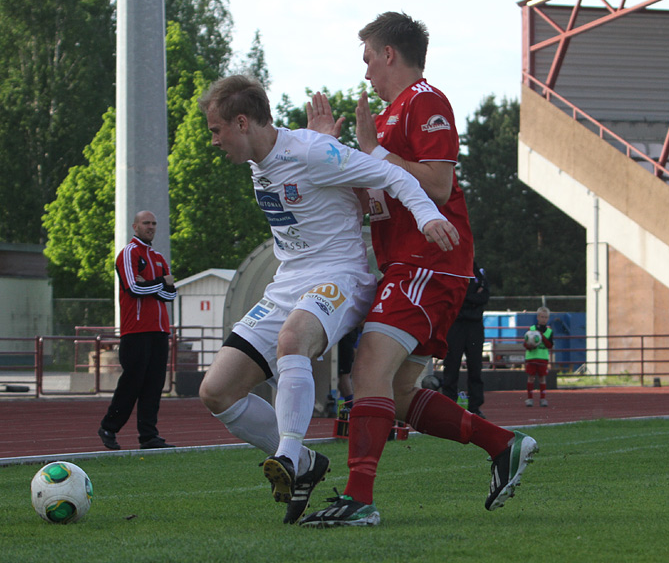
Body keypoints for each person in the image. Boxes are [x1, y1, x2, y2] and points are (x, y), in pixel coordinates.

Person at [301, 12, 538, 528]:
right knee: (401, 394)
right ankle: (504, 445)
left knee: (368, 371)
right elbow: (375, 199)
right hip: (409, 265)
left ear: (390, 54)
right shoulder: (389, 117)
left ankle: (359, 500)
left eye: (368, 59)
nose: (364, 73)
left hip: (428, 263)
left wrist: (374, 153)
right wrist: (331, 152)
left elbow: (437, 184)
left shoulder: (425, 101)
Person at [195, 75, 460, 525]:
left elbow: (392, 175)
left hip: (340, 275)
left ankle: (289, 454)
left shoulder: (311, 152)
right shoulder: (264, 160)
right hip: (288, 283)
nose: (214, 141)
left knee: (292, 339)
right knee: (216, 391)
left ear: (242, 122)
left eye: (216, 130)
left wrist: (427, 213)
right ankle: (304, 463)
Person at [98, 210, 177, 450]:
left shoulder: (159, 257)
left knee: (154, 385)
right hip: (136, 330)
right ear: (135, 226)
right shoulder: (129, 253)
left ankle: (149, 436)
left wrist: (153, 284)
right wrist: (161, 283)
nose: (150, 227)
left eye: (153, 223)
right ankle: (109, 427)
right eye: (146, 223)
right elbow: (134, 288)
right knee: (132, 383)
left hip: (160, 330)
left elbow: (171, 294)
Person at [440, 263, 490, 418]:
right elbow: (454, 296)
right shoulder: (454, 268)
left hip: (475, 326)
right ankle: (449, 406)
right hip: (456, 324)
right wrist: (472, 297)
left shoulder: (479, 271)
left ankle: (475, 407)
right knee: (451, 365)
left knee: (475, 367)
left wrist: (467, 298)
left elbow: (484, 296)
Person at [523, 306, 554, 407]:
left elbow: (550, 345)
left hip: (542, 358)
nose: (543, 319)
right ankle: (529, 398)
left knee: (542, 378)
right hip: (531, 358)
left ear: (548, 318)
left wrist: (541, 337)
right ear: (538, 317)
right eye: (542, 317)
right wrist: (530, 345)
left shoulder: (549, 332)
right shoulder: (531, 329)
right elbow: (525, 344)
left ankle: (543, 398)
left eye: (545, 317)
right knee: (531, 378)